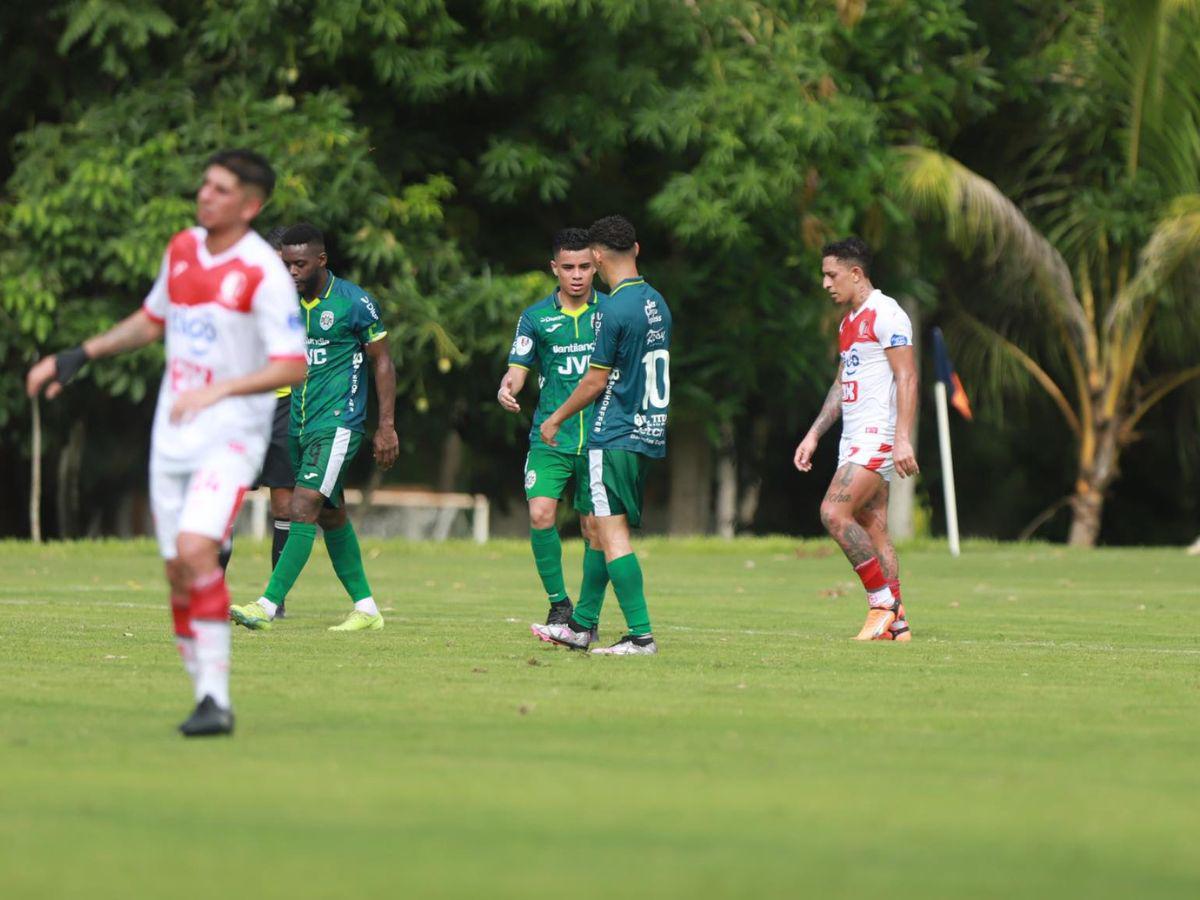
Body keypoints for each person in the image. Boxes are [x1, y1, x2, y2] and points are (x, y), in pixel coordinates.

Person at [26, 150, 307, 736]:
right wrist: (81, 355)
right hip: (173, 433)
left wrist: (220, 391)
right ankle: (206, 695)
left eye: (222, 189)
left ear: (250, 205)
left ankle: (214, 700)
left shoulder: (261, 271)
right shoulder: (181, 249)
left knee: (197, 548)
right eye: (205, 184)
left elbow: (292, 366)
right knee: (179, 568)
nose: (205, 195)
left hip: (232, 434)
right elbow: (153, 319)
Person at [229, 223, 398, 633]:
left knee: (302, 506)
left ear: (321, 260)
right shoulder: (281, 303)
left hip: (338, 423)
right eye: (285, 264)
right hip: (299, 424)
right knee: (332, 517)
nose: (290, 273)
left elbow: (382, 361)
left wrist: (386, 426)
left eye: (299, 264)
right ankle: (367, 609)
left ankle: (266, 605)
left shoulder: (353, 303)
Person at [530, 215, 671, 655]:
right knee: (598, 532)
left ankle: (640, 635)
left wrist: (555, 419)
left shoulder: (612, 309)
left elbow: (594, 381)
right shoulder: (656, 302)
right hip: (647, 429)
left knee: (611, 536)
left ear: (595, 257)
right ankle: (581, 625)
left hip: (612, 434)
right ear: (637, 249)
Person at [793, 237, 918, 641]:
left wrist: (902, 439)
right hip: (853, 436)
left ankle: (881, 603)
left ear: (856, 273)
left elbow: (907, 377)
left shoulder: (887, 314)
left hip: (877, 435)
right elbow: (841, 383)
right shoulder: (849, 323)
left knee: (833, 513)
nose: (826, 283)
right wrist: (814, 434)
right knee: (874, 525)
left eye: (832, 275)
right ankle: (896, 625)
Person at [497, 228, 608, 636]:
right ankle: (560, 605)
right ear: (554, 269)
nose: (576, 275)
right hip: (551, 437)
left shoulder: (610, 313)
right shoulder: (536, 317)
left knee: (593, 529)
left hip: (600, 439)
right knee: (541, 513)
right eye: (568, 268)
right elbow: (517, 369)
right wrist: (506, 388)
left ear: (596, 265)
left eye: (584, 267)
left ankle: (588, 619)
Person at [250, 224, 300, 617]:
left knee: (283, 504)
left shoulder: (305, 303)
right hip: (243, 409)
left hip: (286, 409)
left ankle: (276, 598)